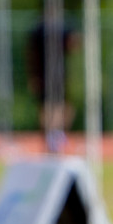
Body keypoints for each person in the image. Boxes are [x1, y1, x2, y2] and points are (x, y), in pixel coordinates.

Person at [27, 18, 78, 154]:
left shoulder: (61, 27)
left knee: (64, 109)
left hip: (58, 75)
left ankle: (56, 138)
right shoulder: (40, 30)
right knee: (48, 110)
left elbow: (73, 44)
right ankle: (51, 141)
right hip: (44, 76)